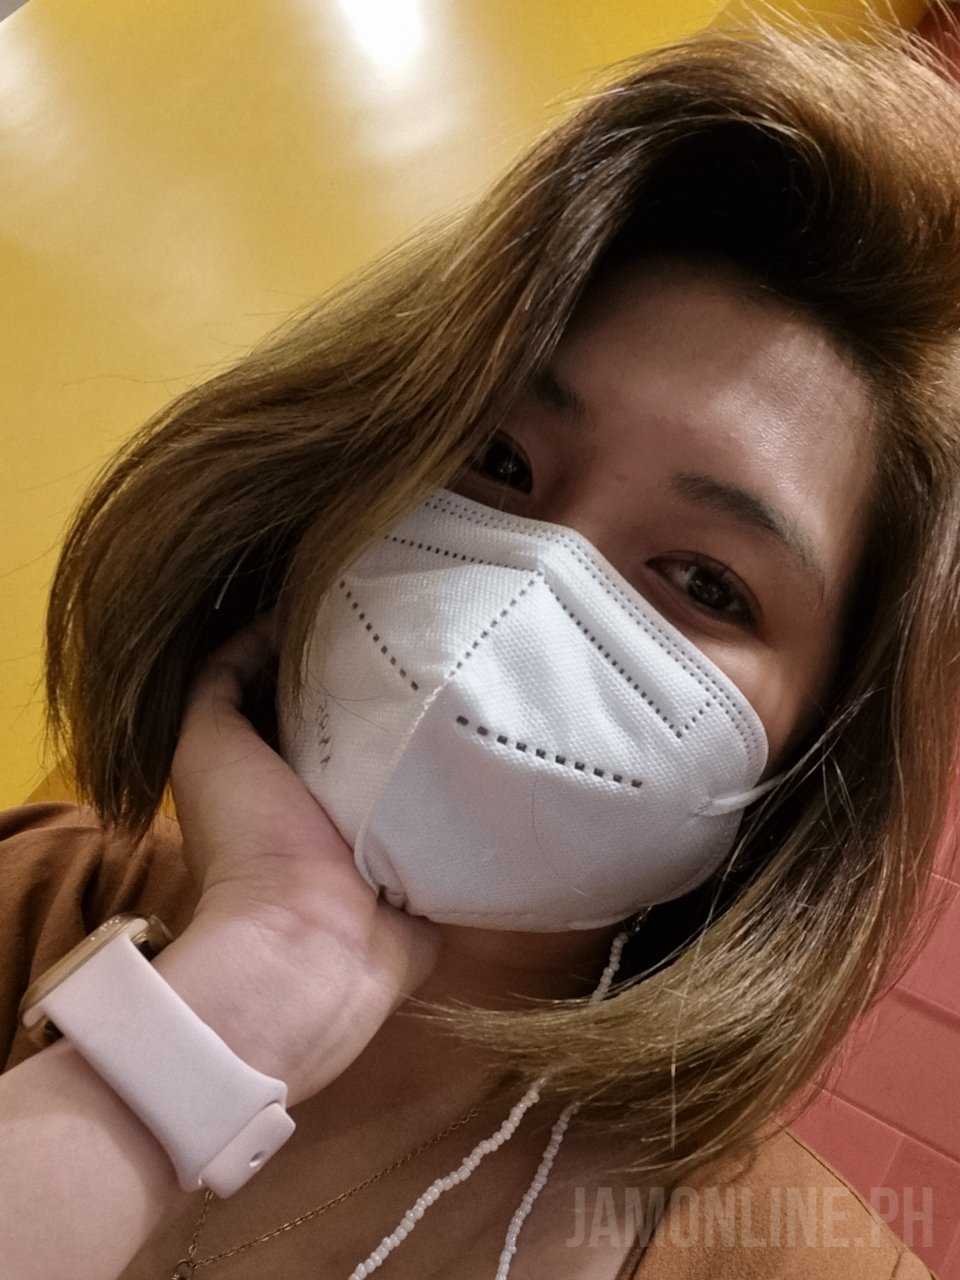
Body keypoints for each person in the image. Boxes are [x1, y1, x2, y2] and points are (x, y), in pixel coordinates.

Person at [1, 18, 959, 1280]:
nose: (525, 591)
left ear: (817, 752)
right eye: (497, 459)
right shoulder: (40, 894)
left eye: (705, 581)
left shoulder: (797, 1263)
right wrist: (264, 970)